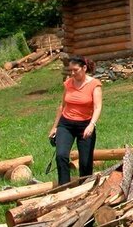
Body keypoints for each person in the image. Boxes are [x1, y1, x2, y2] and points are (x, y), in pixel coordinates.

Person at [49, 55, 102, 185]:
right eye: (70, 70)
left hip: (85, 125)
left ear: (84, 68)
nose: (72, 73)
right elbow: (62, 106)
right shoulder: (68, 83)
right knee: (61, 155)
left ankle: (85, 187)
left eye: (75, 70)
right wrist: (55, 127)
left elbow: (97, 107)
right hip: (66, 124)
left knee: (85, 162)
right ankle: (64, 187)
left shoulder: (95, 85)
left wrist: (91, 125)